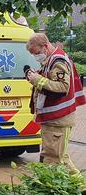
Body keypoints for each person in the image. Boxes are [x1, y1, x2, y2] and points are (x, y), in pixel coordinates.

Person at [25, 33, 85, 175]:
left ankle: (75, 188)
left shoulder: (58, 61)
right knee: (60, 157)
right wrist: (38, 75)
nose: (36, 57)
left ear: (45, 46)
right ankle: (80, 188)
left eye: (37, 53)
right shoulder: (51, 60)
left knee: (53, 160)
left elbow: (62, 87)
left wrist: (37, 79)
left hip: (58, 119)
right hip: (54, 119)